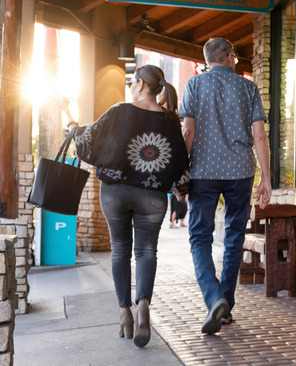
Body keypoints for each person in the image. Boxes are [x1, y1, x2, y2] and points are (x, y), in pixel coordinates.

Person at [56, 65, 189, 348]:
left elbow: (87, 141)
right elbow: (180, 162)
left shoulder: (119, 111)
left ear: (140, 84)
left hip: (115, 193)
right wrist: (179, 190)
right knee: (146, 251)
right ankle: (143, 305)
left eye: (132, 82)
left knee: (119, 249)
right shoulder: (170, 121)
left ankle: (124, 313)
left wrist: (69, 118)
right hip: (152, 197)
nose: (130, 86)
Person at [179, 37, 271, 334]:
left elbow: (187, 131)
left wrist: (181, 170)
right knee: (234, 236)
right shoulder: (248, 87)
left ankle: (214, 298)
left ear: (208, 60)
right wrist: (266, 178)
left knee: (200, 237)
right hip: (240, 172)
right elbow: (259, 136)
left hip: (203, 172)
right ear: (229, 57)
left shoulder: (194, 85)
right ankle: (226, 305)